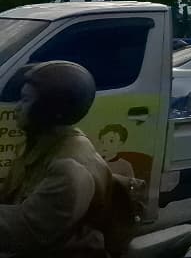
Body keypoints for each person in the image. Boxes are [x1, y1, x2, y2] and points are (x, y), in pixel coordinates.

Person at [0, 61, 114, 258]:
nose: (17, 108)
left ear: (47, 110)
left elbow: (27, 229)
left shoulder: (69, 170)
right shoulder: (44, 142)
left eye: (25, 101)